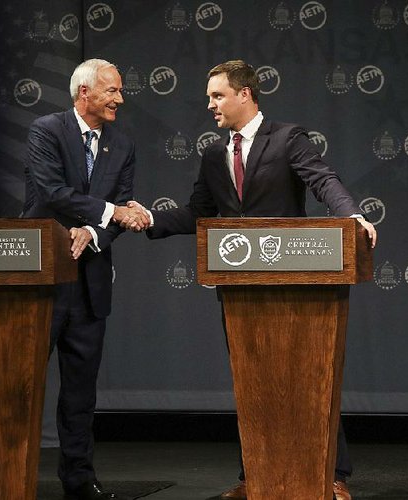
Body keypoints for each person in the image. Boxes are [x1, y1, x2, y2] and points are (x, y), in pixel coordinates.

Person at [124, 60, 376, 500]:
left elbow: (323, 180)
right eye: (209, 97)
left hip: (296, 282)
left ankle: (329, 474)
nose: (210, 105)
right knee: (252, 379)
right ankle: (254, 476)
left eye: (217, 96)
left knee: (311, 376)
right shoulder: (212, 154)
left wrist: (351, 214)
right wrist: (148, 219)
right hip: (240, 286)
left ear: (245, 94)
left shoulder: (287, 138)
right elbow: (198, 211)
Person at [22, 58, 150, 500]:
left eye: (118, 90)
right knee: (21, 383)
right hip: (43, 278)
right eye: (112, 90)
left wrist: (94, 230)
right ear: (85, 93)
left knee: (80, 393)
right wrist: (110, 212)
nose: (120, 98)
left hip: (90, 280)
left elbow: (124, 204)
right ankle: (6, 475)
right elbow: (51, 191)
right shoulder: (47, 130)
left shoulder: (123, 143)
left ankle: (78, 480)